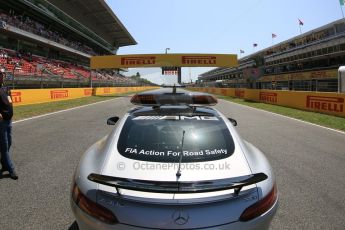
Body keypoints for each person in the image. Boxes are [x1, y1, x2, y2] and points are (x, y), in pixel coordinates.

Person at [0, 69, 17, 180]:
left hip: (9, 120)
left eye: (3, 74)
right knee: (5, 146)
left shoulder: (6, 88)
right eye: (1, 74)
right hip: (1, 123)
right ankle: (11, 169)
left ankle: (4, 164)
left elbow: (10, 101)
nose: (2, 75)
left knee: (8, 143)